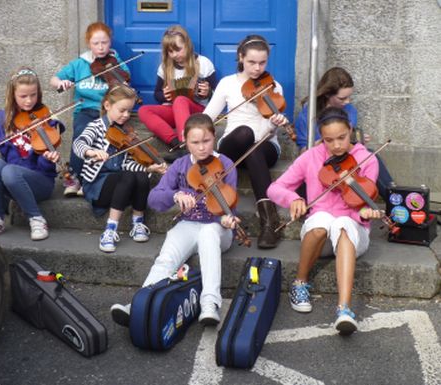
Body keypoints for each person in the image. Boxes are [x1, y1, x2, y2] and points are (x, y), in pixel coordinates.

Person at [110, 113, 238, 327]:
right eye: (195, 142)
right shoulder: (179, 165)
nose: (201, 148)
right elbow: (154, 199)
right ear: (185, 140)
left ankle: (210, 304)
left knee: (208, 233)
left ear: (214, 137)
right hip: (188, 224)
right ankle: (137, 304)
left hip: (217, 228)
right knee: (166, 259)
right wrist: (174, 195)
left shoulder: (225, 163)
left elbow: (230, 205)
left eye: (206, 141)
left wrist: (227, 219)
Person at [267, 107, 382, 335]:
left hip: (352, 233)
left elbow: (364, 202)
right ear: (321, 138)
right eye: (329, 140)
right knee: (321, 220)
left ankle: (344, 309)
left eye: (342, 138)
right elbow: (274, 188)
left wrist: (364, 213)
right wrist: (294, 198)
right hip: (319, 237)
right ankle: (300, 284)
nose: (337, 145)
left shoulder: (367, 159)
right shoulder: (311, 156)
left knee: (342, 223)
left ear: (351, 131)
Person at [203, 34, 288, 249]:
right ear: (241, 57)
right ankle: (270, 222)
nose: (257, 68)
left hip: (265, 145)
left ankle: (269, 222)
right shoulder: (227, 83)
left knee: (254, 147)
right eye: (251, 62)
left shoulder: (274, 86)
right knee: (244, 133)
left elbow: (267, 134)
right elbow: (207, 118)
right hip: (233, 144)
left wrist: (274, 123)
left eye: (262, 63)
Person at [72, 85, 167, 253]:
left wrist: (149, 169)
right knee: (129, 177)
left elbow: (126, 164)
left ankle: (138, 222)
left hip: (121, 185)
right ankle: (110, 230)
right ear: (107, 105)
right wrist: (91, 151)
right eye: (122, 110)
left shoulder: (125, 132)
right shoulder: (96, 127)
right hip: (97, 185)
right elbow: (78, 145)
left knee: (140, 174)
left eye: (129, 111)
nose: (126, 115)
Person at [51, 21, 131, 197]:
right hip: (85, 110)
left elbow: (125, 83)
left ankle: (91, 180)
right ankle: (76, 177)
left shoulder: (115, 62)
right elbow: (54, 80)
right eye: (96, 43)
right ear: (89, 43)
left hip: (108, 113)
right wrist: (61, 83)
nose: (101, 47)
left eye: (105, 42)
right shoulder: (80, 64)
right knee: (81, 133)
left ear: (110, 42)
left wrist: (119, 83)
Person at [0, 67, 63, 241]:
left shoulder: (45, 118)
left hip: (40, 182)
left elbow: (46, 168)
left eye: (33, 95)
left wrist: (47, 159)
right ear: (12, 95)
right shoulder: (2, 118)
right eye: (23, 96)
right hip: (10, 183)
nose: (29, 101)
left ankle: (36, 218)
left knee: (9, 170)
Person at [294, 67, 394, 199]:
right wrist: (323, 142)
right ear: (328, 94)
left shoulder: (350, 110)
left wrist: (356, 139)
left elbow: (348, 142)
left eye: (349, 97)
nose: (347, 102)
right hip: (321, 164)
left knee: (370, 155)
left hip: (344, 159)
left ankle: (396, 201)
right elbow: (303, 153)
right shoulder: (307, 115)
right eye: (342, 98)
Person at [138, 25, 217, 162]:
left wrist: (208, 92)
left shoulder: (204, 63)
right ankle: (179, 145)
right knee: (143, 110)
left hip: (197, 112)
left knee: (180, 100)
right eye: (171, 52)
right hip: (175, 112)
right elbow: (157, 94)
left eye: (178, 50)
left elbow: (217, 95)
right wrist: (164, 95)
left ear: (187, 44)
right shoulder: (165, 66)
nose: (175, 55)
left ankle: (185, 144)